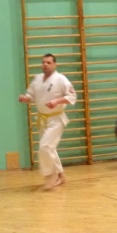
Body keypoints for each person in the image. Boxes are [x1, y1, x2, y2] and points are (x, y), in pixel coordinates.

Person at [18, 53, 77, 191]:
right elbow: (31, 96)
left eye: (49, 62)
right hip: (43, 119)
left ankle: (50, 175)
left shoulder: (61, 79)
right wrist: (25, 98)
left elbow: (72, 96)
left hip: (56, 119)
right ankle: (61, 175)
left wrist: (57, 101)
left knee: (45, 147)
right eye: (43, 62)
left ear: (55, 64)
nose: (45, 64)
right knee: (50, 148)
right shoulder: (37, 79)